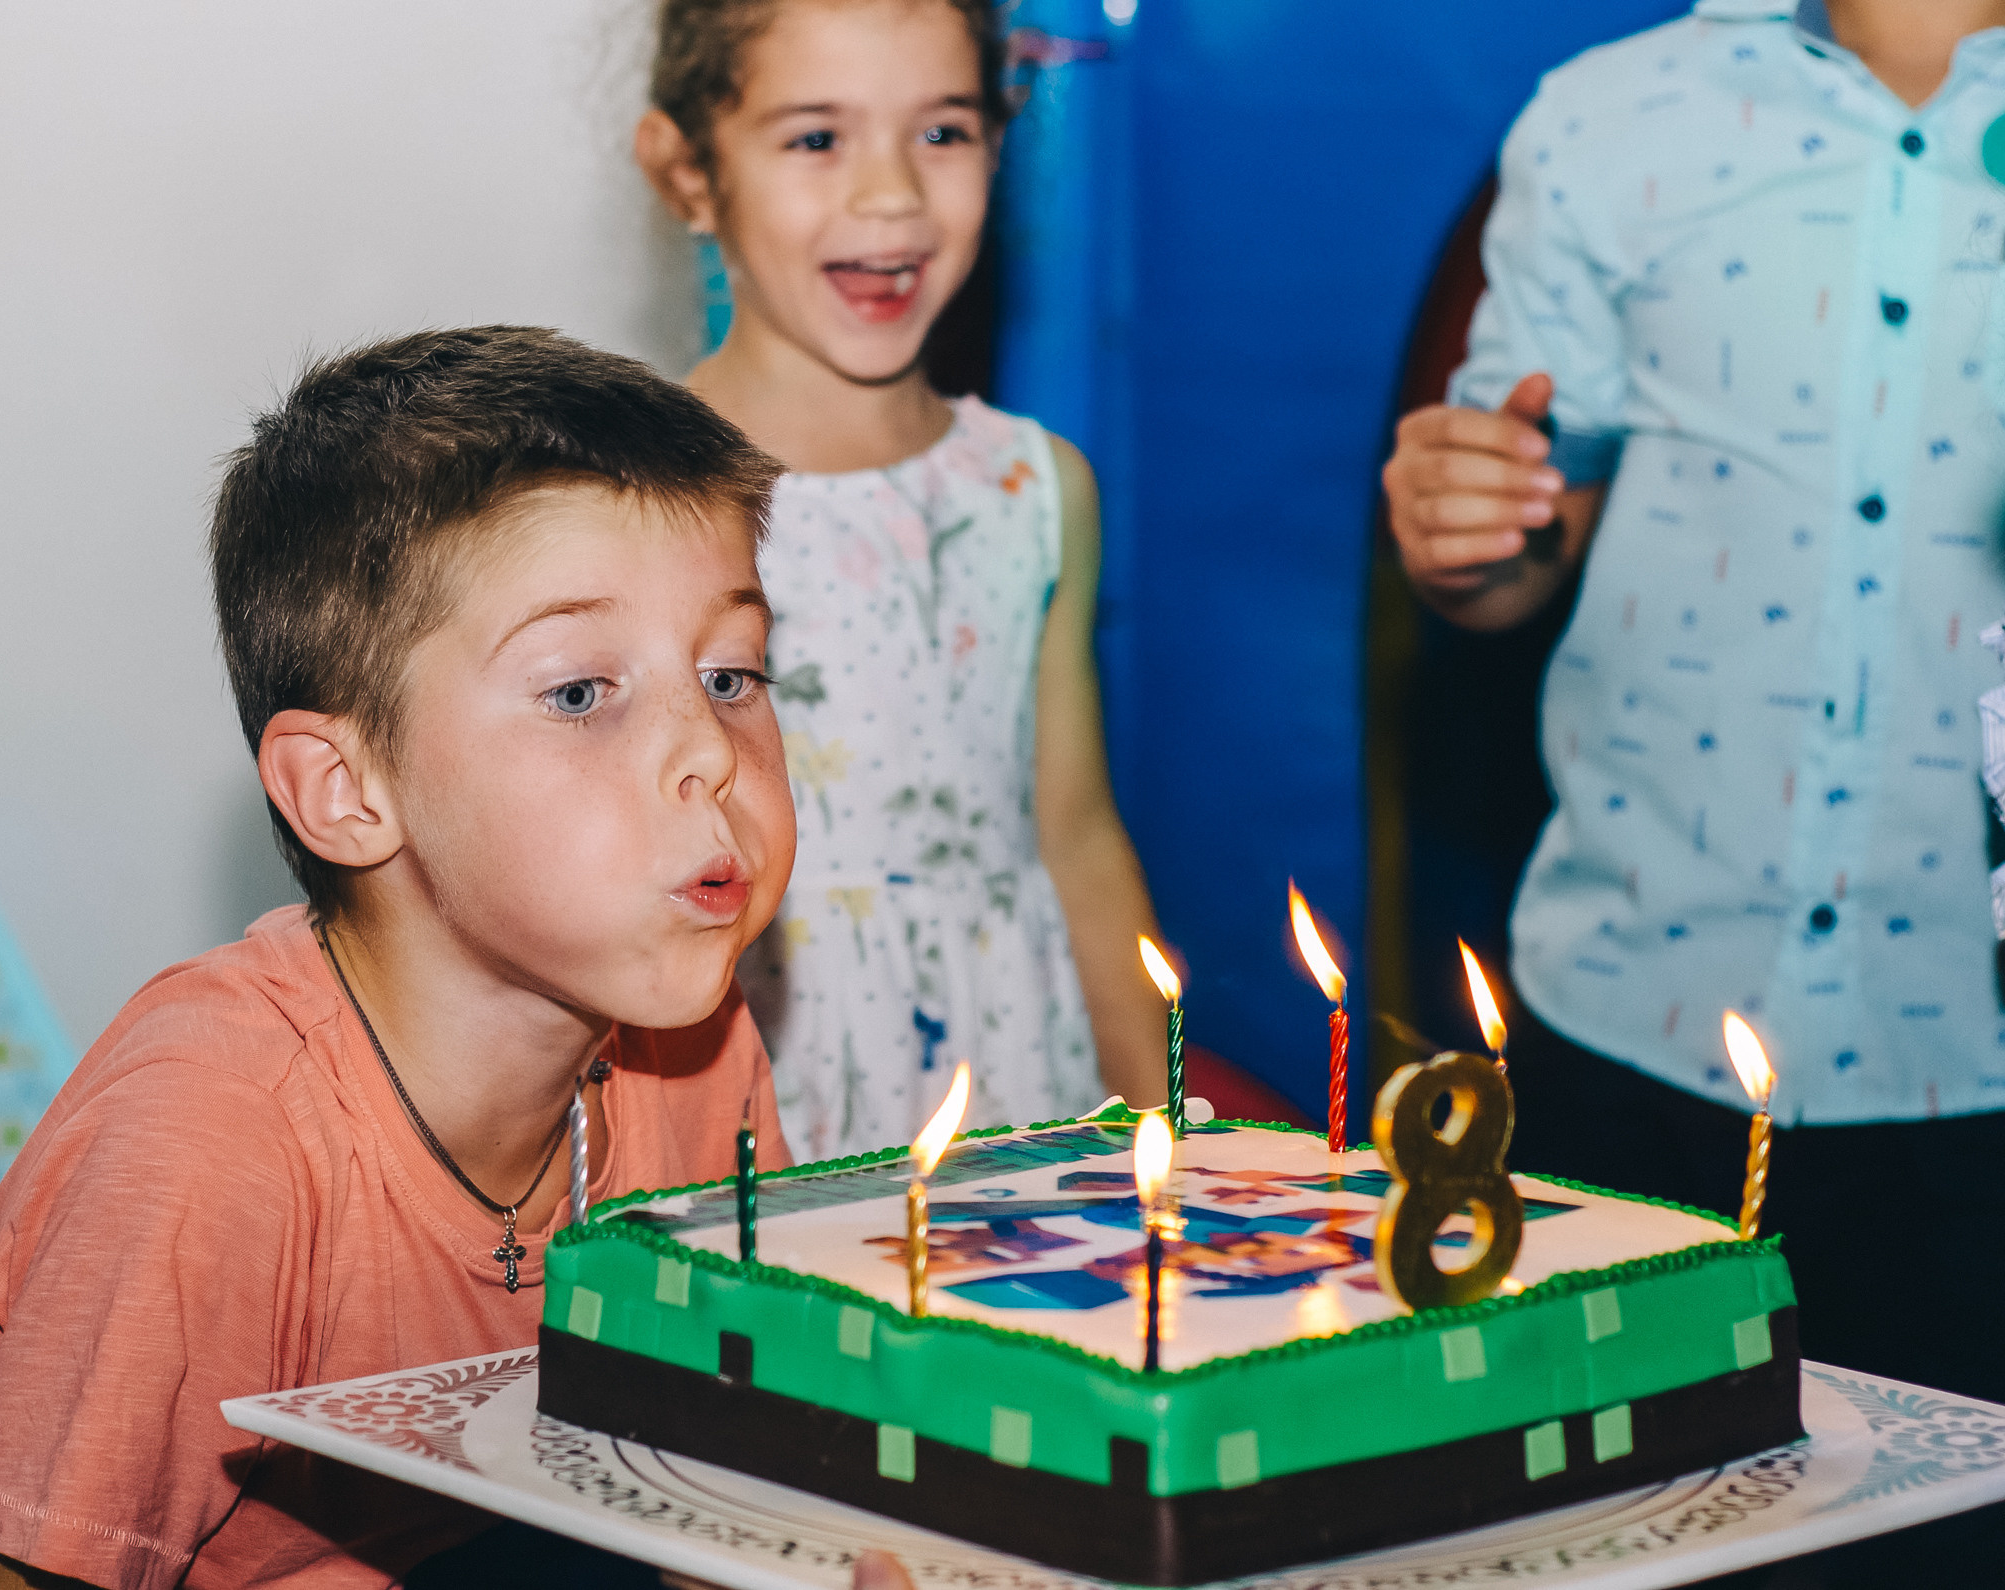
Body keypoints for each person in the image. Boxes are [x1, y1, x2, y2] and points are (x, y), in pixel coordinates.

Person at [0, 327, 823, 1589]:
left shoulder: (696, 1050)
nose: (708, 749)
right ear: (346, 791)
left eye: (731, 672)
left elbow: (716, 1496)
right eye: (582, 692)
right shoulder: (208, 1143)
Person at [1383, 0, 2005, 1416]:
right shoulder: (1617, 114)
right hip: (1634, 1029)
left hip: (1976, 1070)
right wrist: (1472, 527)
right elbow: (1522, 539)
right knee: (1603, 1513)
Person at [635, 0, 1301, 1157]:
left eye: (942, 133)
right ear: (689, 172)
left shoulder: (1036, 489)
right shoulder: (636, 491)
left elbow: (1077, 836)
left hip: (1014, 1062)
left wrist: (1170, 1129)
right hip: (754, 1073)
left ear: (1004, 137)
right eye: (816, 139)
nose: (890, 195)